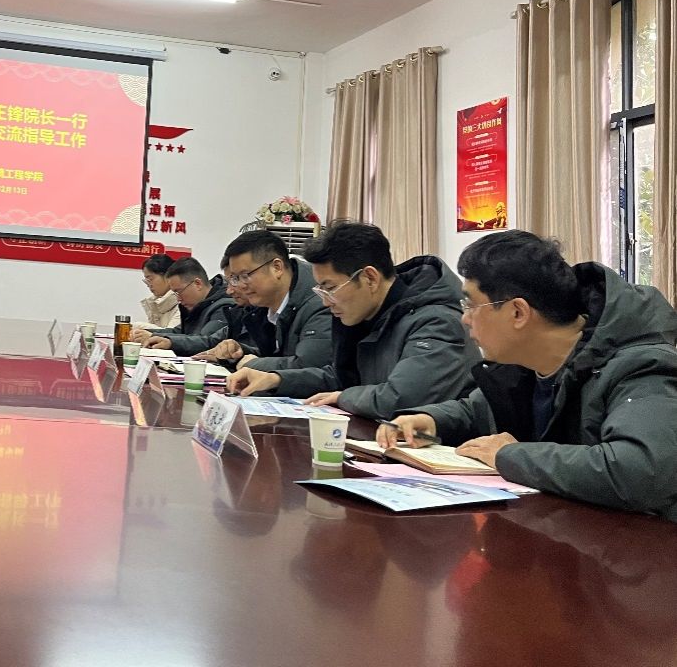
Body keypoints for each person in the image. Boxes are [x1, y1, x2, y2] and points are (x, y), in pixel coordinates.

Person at [379, 231, 677, 521]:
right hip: (558, 531)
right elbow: (476, 410)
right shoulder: (523, 362)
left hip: (634, 545)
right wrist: (430, 420)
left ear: (518, 313)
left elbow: (640, 471)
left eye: (471, 305)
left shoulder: (640, 366)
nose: (465, 319)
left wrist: (510, 455)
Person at [227, 221, 475, 420]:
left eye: (330, 288)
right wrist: (276, 380)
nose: (326, 302)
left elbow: (401, 398)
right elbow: (341, 376)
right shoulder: (366, 312)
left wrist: (342, 397)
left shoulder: (436, 321)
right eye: (320, 290)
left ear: (369, 278)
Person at [210, 230, 333, 371]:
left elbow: (310, 366)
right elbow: (277, 356)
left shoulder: (319, 302)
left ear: (277, 267)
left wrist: (253, 364)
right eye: (235, 278)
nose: (241, 286)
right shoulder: (263, 305)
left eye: (245, 275)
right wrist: (239, 354)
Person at [138, 257, 234, 356]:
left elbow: (207, 341)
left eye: (179, 292)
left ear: (198, 284)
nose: (178, 299)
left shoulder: (224, 306)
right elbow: (178, 332)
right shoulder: (197, 305)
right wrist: (147, 333)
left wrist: (170, 342)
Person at [137, 254, 181, 329]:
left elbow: (171, 334)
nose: (148, 285)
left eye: (150, 279)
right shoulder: (156, 303)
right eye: (146, 280)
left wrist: (139, 326)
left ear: (167, 276)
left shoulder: (182, 303)